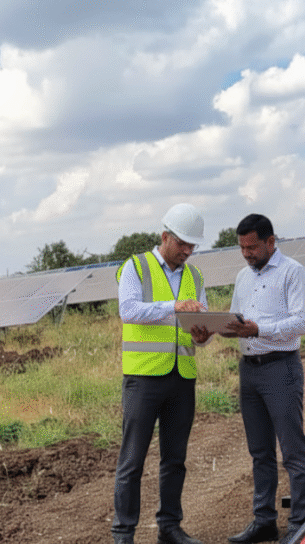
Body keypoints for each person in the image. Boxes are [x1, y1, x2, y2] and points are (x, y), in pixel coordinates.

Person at [111, 203, 209, 544]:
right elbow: (129, 311)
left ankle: (170, 527)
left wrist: (205, 333)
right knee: (132, 461)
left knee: (175, 459)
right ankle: (123, 534)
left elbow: (202, 319)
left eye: (192, 246)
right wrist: (174, 307)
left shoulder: (195, 276)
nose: (187, 251)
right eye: (182, 243)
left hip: (182, 376)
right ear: (165, 236)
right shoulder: (135, 266)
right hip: (143, 379)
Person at [224, 214, 305, 544]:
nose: (246, 254)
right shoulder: (242, 278)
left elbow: (301, 323)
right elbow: (237, 321)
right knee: (260, 452)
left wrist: (259, 329)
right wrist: (217, 329)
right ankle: (264, 520)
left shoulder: (293, 273)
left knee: (292, 450)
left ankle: (301, 523)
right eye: (242, 248)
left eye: (252, 247)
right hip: (249, 369)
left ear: (270, 242)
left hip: (280, 368)